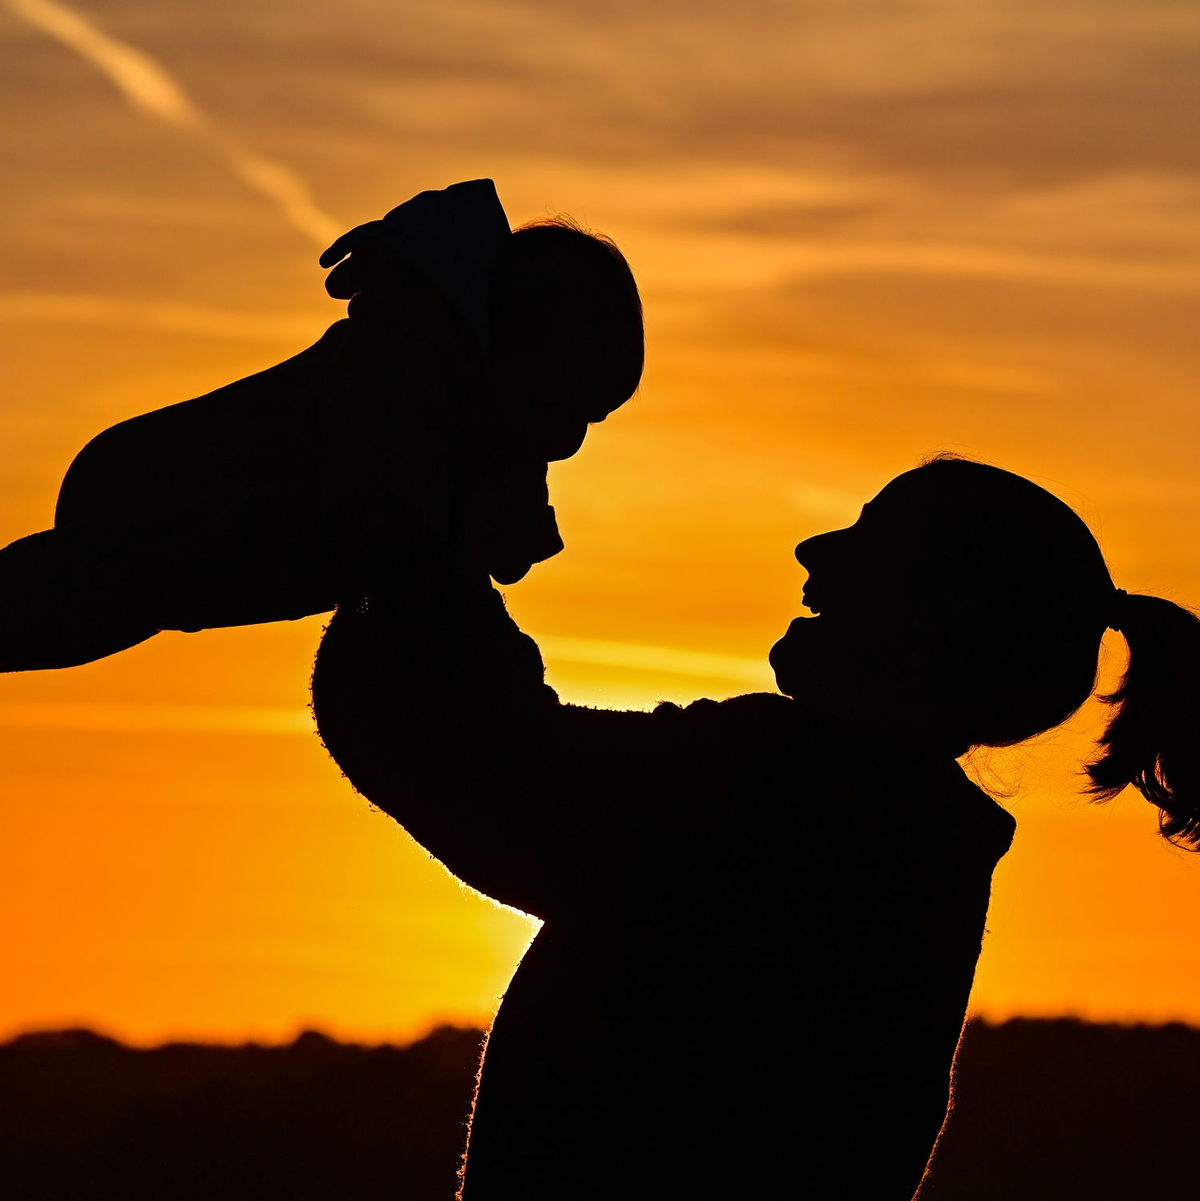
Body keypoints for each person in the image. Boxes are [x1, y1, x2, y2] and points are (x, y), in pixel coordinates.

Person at [311, 455, 1200, 1199]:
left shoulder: (789, 792)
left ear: (937, 618)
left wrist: (424, 559)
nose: (817, 550)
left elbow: (481, 764)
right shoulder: (908, 849)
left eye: (871, 539)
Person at [0, 180, 643, 672]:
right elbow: (400, 537)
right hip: (155, 490)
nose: (569, 442)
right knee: (86, 599)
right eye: (566, 407)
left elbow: (481, 543)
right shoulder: (400, 369)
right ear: (515, 346)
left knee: (116, 606)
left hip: (203, 547)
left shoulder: (478, 414)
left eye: (592, 419)